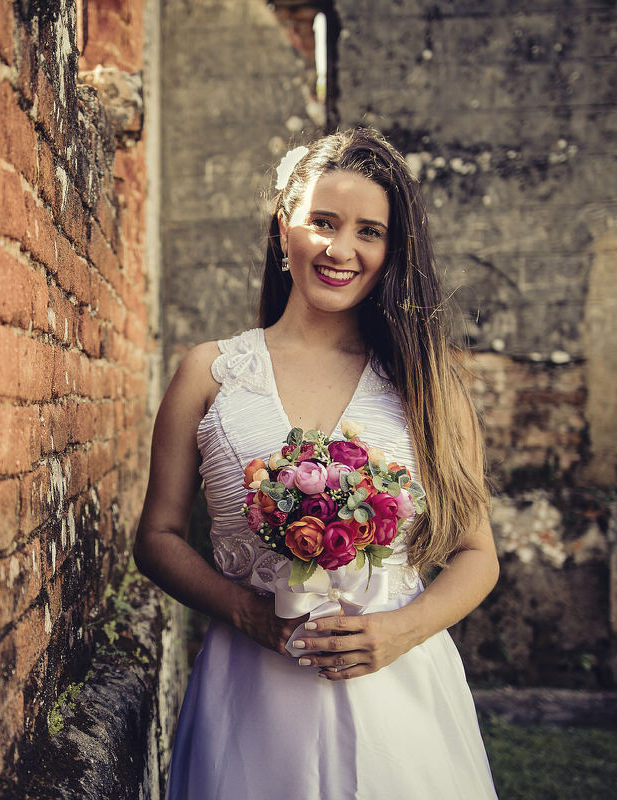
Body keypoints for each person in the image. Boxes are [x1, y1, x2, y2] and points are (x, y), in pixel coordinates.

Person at [134, 128, 499, 798]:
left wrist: (399, 632)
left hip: (401, 691)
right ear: (284, 231)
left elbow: (479, 554)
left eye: (369, 231)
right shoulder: (209, 375)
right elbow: (156, 539)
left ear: (391, 252)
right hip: (251, 691)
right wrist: (248, 616)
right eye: (322, 223)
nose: (341, 249)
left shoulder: (428, 383)